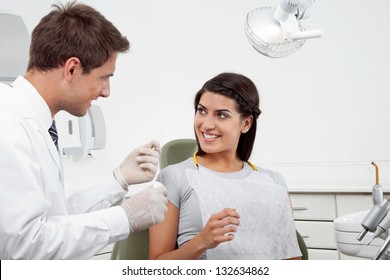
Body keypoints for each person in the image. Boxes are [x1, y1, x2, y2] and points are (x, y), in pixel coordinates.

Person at [0, 1, 168, 260]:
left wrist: (118, 180)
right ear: (72, 68)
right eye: (104, 77)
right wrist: (126, 217)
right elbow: (25, 246)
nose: (106, 92)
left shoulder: (38, 122)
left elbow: (57, 218)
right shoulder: (8, 124)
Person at [149, 72, 301, 260]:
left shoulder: (274, 182)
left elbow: (291, 260)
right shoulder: (172, 177)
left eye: (221, 115)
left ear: (245, 123)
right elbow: (155, 265)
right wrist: (201, 242)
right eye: (201, 110)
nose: (206, 124)